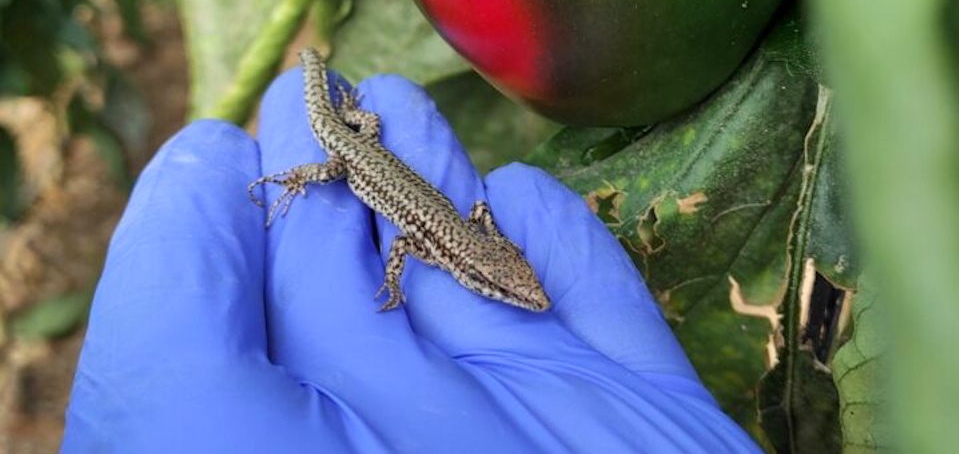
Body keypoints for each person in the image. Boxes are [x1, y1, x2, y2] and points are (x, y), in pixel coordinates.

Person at [61, 65, 762, 453]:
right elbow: (401, 241)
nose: (526, 294)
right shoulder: (449, 249)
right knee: (331, 161)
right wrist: (392, 284)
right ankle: (306, 133)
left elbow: (449, 233)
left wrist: (449, 250)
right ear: (480, 273)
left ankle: (319, 81)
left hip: (375, 152)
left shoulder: (474, 248)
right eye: (512, 290)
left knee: (363, 124)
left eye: (515, 290)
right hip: (354, 158)